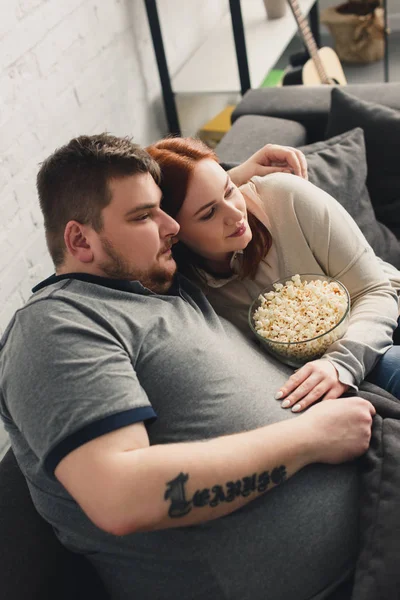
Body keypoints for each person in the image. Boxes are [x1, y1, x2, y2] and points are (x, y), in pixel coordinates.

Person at [0, 134, 377, 600]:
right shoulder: (56, 324)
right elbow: (120, 497)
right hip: (342, 576)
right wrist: (313, 438)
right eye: (144, 216)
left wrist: (231, 179)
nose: (171, 226)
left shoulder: (156, 282)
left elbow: (194, 203)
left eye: (164, 209)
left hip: (373, 494)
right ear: (79, 239)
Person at [146, 137, 400, 405]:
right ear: (173, 233)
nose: (235, 215)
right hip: (305, 369)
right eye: (209, 213)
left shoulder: (285, 196)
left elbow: (375, 290)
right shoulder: (182, 284)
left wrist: (339, 364)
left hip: (381, 314)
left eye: (230, 190)